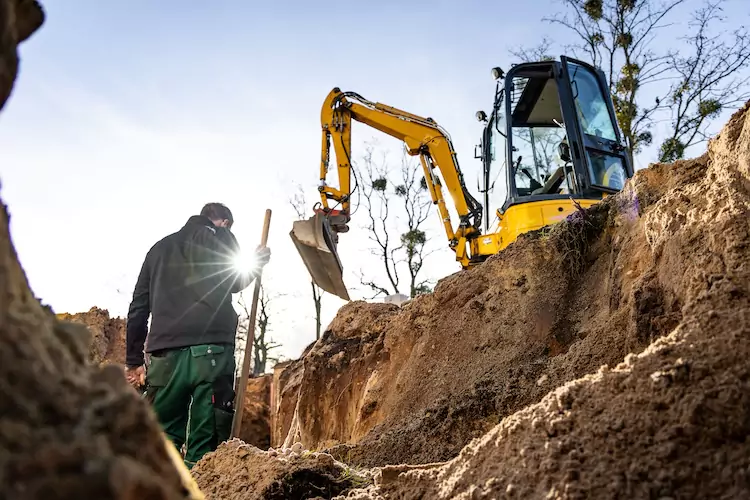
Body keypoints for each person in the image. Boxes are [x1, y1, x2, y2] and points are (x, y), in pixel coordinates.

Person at [124, 202, 271, 468]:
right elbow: (235, 281)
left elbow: (138, 307)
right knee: (205, 448)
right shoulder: (219, 238)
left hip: (165, 357)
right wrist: (257, 262)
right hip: (211, 356)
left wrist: (134, 361)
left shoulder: (158, 250)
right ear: (224, 222)